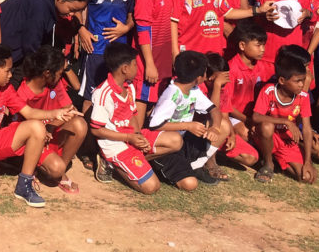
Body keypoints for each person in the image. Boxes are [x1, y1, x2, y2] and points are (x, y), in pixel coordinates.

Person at [0, 43, 78, 207]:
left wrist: (56, 113)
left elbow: (30, 113)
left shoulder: (6, 89)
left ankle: (24, 185)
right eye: (7, 71)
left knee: (36, 126)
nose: (11, 75)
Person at [90, 43, 192, 193]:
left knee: (176, 141)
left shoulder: (129, 87)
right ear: (125, 69)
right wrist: (129, 137)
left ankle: (135, 160)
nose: (138, 69)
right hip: (115, 145)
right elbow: (96, 130)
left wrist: (138, 136)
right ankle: (110, 162)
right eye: (135, 65)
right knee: (151, 187)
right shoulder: (103, 93)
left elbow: (132, 114)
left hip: (131, 136)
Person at [148, 51, 228, 185]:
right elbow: (155, 125)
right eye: (205, 72)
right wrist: (188, 126)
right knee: (190, 184)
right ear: (199, 78)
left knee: (224, 125)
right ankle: (163, 167)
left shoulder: (194, 90)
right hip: (168, 148)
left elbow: (214, 110)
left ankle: (195, 166)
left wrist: (214, 129)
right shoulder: (172, 94)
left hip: (184, 140)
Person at [16, 45, 87, 193]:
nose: (61, 77)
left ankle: (59, 174)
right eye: (60, 73)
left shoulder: (55, 84)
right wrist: (43, 130)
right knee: (56, 168)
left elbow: (70, 109)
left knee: (80, 124)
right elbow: (18, 130)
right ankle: (37, 166)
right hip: (34, 142)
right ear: (47, 73)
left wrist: (51, 127)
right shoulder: (22, 93)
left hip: (51, 132)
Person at [133, 0, 185, 126]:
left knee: (153, 100)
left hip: (161, 58)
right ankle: (135, 143)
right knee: (142, 98)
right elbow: (143, 28)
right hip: (148, 60)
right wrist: (149, 64)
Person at [0, 0, 90, 75]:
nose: (72, 14)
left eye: (78, 11)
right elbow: (31, 46)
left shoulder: (46, 1)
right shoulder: (40, 8)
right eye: (72, 9)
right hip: (2, 57)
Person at [79, 0, 134, 97]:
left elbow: (132, 16)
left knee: (119, 93)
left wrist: (126, 28)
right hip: (96, 50)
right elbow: (76, 10)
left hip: (120, 53)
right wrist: (81, 30)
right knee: (92, 96)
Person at [251, 56, 315, 184]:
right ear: (282, 80)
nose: (302, 85)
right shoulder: (268, 91)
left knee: (307, 178)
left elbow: (307, 129)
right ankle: (268, 163)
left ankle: (276, 158)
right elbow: (256, 117)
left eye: (303, 80)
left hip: (287, 140)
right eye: (297, 81)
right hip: (268, 136)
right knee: (267, 126)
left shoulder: (303, 97)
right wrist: (286, 122)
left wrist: (308, 161)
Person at [203, 52, 259, 176]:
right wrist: (217, 86)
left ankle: (216, 152)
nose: (224, 84)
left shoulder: (223, 89)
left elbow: (225, 116)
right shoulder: (201, 87)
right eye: (219, 80)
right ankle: (209, 162)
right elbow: (214, 113)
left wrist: (232, 136)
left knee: (251, 158)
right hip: (202, 132)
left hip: (219, 133)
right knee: (219, 124)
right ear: (208, 77)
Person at [225, 21, 272, 141]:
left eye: (264, 45)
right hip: (235, 117)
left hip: (256, 116)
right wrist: (248, 120)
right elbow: (227, 106)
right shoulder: (231, 69)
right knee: (246, 133)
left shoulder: (264, 66)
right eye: (258, 45)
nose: (262, 50)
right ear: (242, 45)